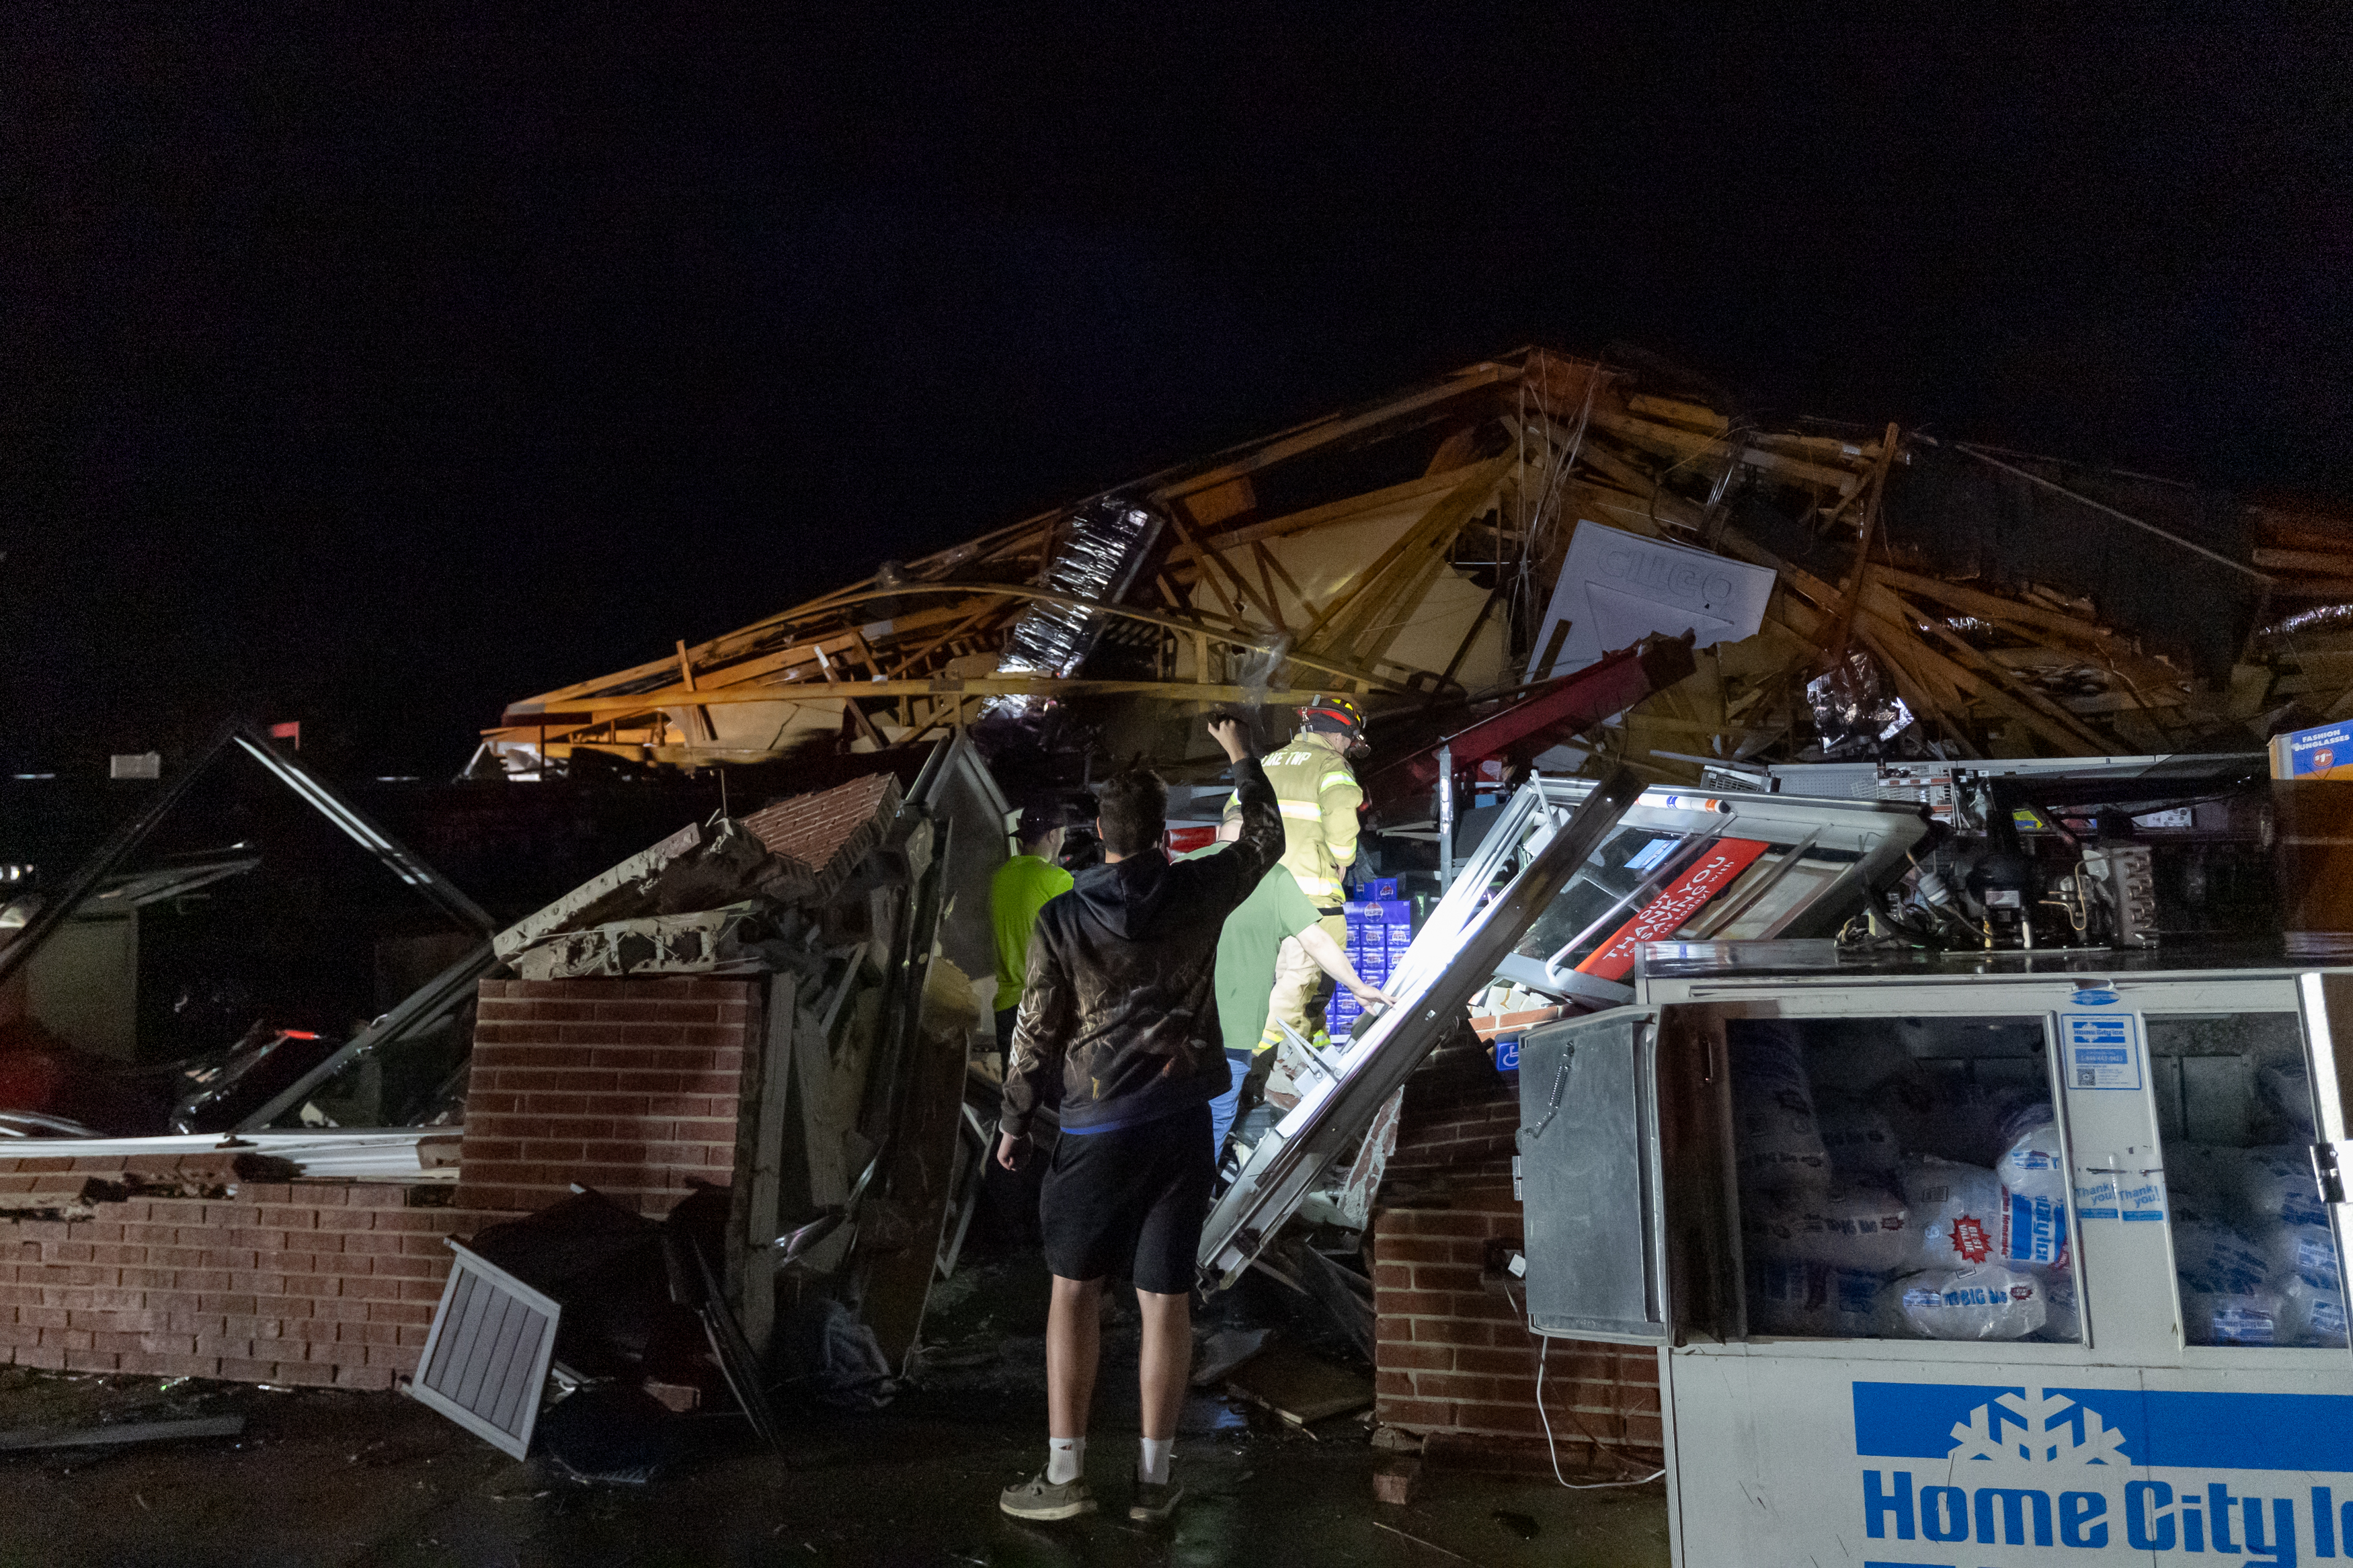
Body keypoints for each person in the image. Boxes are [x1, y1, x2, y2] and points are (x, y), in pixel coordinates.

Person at [994, 716, 1282, 1526]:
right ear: (1161, 833)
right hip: (1181, 1124)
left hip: (1095, 1128)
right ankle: (1153, 1484)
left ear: (1100, 830)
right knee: (1165, 1298)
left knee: (1073, 1291)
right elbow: (1265, 837)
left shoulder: (1061, 918)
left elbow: (1035, 1032)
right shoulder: (1198, 889)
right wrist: (1239, 756)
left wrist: (1014, 1120)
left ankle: (1066, 1474)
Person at [1180, 818, 1394, 1164]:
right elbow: (1316, 941)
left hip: (1178, 1026)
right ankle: (1194, 1192)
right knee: (1216, 1119)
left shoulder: (1182, 868)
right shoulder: (1272, 876)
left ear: (1218, 835)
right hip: (1234, 1030)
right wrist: (1357, 986)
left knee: (1172, 1118)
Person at [1225, 694, 1367, 1051]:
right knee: (1301, 986)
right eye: (1349, 741)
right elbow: (1341, 817)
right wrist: (1343, 859)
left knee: (1281, 985)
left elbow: (1232, 816)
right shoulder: (1331, 764)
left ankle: (1312, 1051)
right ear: (1339, 735)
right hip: (1310, 898)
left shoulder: (1267, 763)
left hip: (1258, 895)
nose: (1348, 749)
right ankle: (1257, 1061)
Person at [990, 802, 1074, 1057]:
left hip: (1007, 1010)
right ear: (1053, 835)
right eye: (1064, 834)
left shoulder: (1001, 878)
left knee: (1014, 1081)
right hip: (1043, 1007)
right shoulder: (1058, 880)